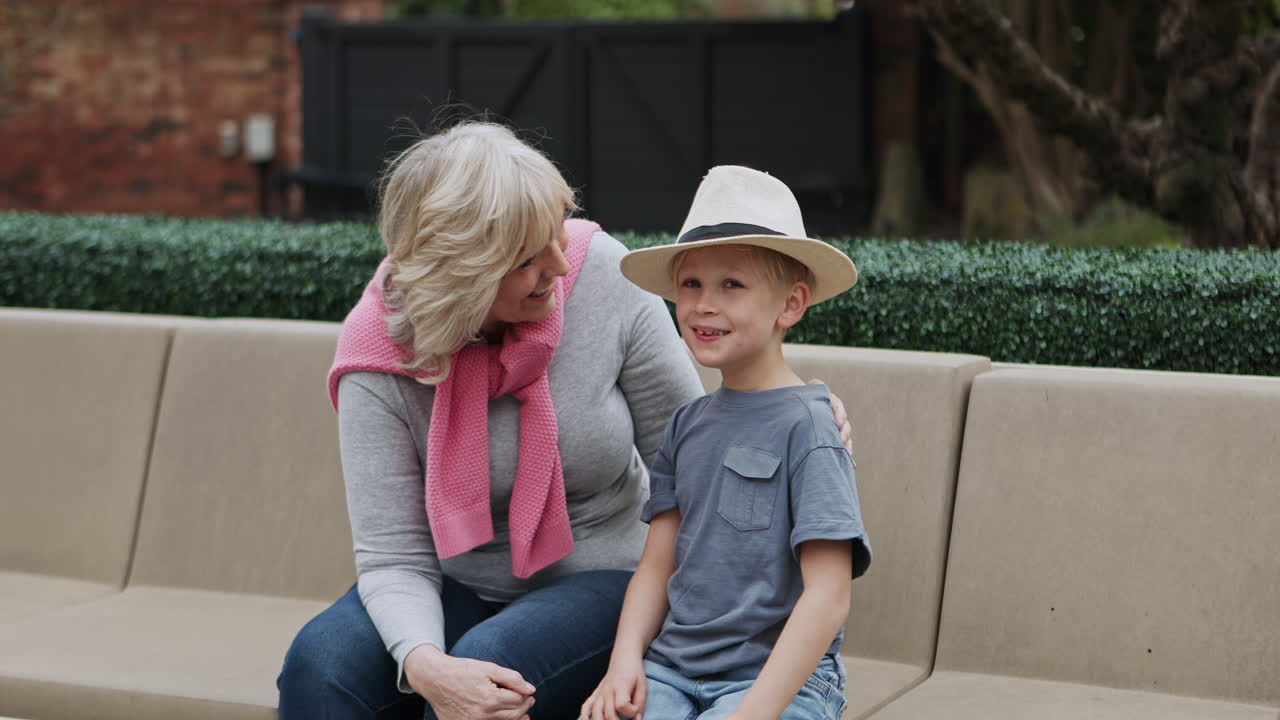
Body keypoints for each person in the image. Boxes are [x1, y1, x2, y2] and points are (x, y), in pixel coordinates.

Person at [276, 123, 856, 720]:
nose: (561, 263)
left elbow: (692, 450)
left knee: (493, 665)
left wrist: (792, 418)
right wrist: (426, 665)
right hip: (455, 585)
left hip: (607, 576)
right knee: (319, 668)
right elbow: (395, 556)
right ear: (464, 276)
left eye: (555, 234)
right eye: (529, 257)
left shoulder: (599, 274)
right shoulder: (377, 353)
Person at [581, 165, 872, 720]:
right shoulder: (685, 424)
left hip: (777, 683)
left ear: (790, 305)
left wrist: (751, 714)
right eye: (691, 284)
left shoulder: (811, 428)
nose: (703, 304)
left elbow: (829, 594)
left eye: (731, 284)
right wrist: (624, 663)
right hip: (672, 668)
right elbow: (656, 567)